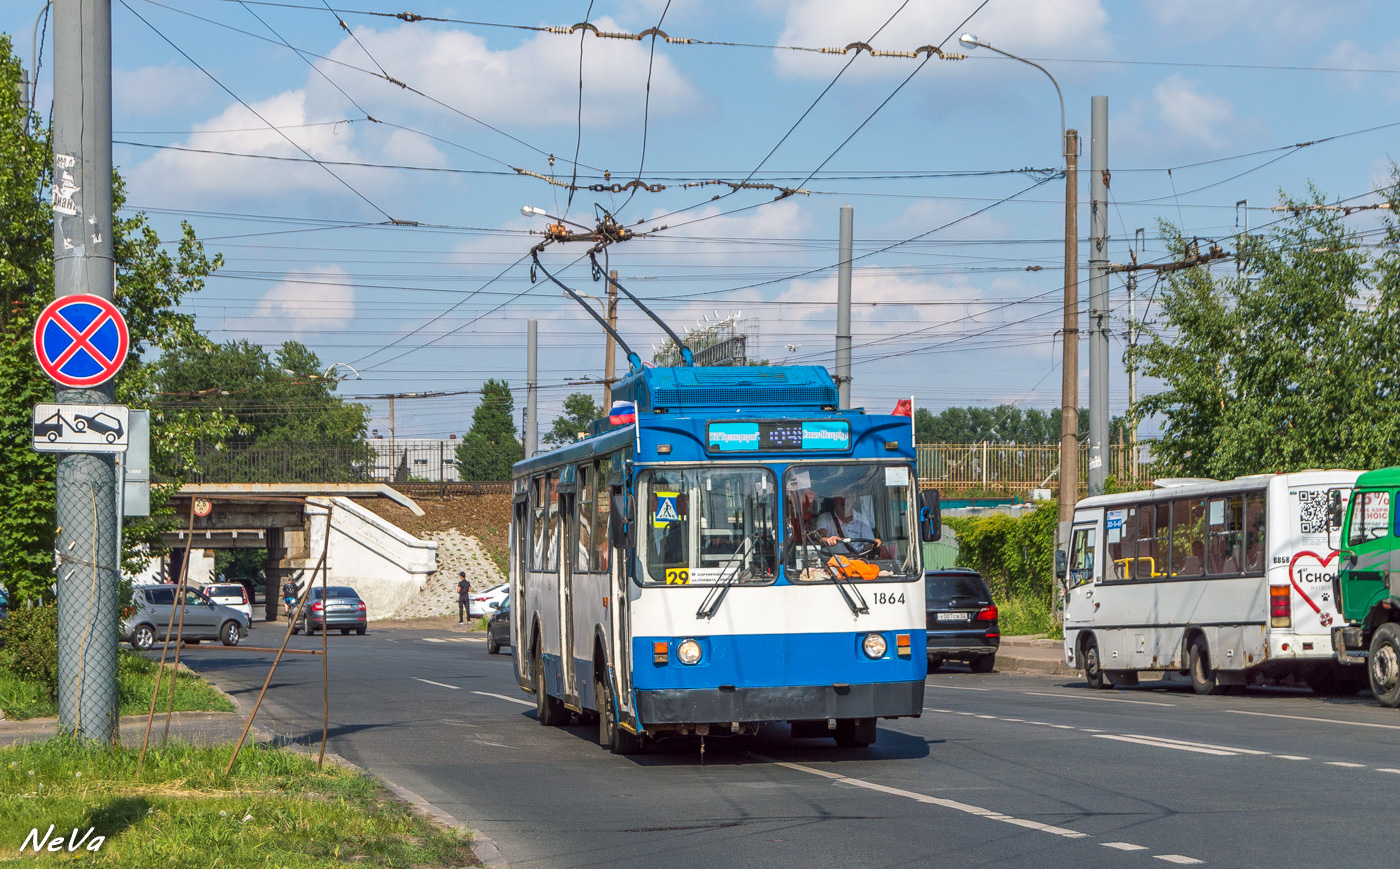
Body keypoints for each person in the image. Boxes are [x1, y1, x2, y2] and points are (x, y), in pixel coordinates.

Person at [814, 487, 881, 555]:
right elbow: (820, 535)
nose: (844, 500)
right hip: (832, 561)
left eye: (848, 497)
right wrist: (827, 539)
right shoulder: (825, 518)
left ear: (853, 500)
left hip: (856, 561)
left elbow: (868, 545)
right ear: (834, 500)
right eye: (840, 497)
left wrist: (875, 543)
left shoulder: (861, 519)